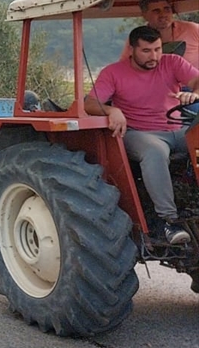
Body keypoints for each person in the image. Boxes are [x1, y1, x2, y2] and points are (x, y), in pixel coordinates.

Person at [84, 26, 199, 245]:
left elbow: (197, 81)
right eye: (146, 51)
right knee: (154, 152)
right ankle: (168, 221)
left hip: (177, 128)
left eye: (157, 49)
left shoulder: (172, 62)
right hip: (140, 133)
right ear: (132, 50)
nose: (154, 56)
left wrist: (193, 94)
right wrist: (111, 110)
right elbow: (90, 103)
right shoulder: (113, 72)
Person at [120, 0, 199, 68]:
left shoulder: (193, 29)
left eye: (167, 9)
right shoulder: (137, 37)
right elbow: (124, 67)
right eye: (156, 11)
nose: (163, 14)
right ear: (144, 15)